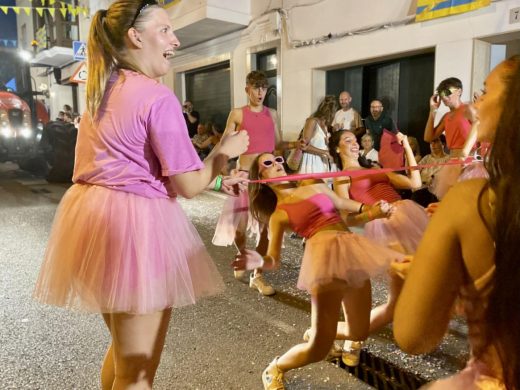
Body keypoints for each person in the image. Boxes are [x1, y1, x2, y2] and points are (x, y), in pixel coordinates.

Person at [32, 2, 249, 389]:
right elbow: (185, 185)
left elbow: (137, 166)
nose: (175, 40)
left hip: (91, 222)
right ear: (136, 36)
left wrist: (216, 180)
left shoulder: (101, 90)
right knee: (138, 374)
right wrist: (224, 153)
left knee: (121, 355)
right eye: (165, 30)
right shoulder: (157, 97)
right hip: (136, 231)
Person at [394, 56, 520, 390]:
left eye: (484, 92)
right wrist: (433, 111)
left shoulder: (476, 200)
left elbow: (412, 336)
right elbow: (429, 133)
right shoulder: (449, 115)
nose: (477, 101)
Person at [233, 153, 402, 390]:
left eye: (278, 159)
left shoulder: (311, 182)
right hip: (324, 260)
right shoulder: (279, 214)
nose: (278, 165)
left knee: (359, 330)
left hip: (352, 250)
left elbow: (344, 207)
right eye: (268, 164)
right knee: (318, 349)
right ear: (261, 177)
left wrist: (373, 209)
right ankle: (277, 367)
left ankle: (318, 331)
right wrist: (257, 260)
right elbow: (274, 259)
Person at [328, 129, 427, 361]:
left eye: (355, 139)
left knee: (399, 300)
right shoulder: (342, 176)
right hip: (382, 228)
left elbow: (415, 182)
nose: (355, 143)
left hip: (406, 218)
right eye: (347, 140)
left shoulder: (375, 166)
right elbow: (346, 217)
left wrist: (407, 147)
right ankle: (342, 336)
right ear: (336, 148)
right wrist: (372, 213)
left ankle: (348, 337)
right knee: (407, 288)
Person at [213, 70, 297, 295]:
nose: (260, 93)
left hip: (266, 179)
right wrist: (220, 171)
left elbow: (278, 143)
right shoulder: (238, 114)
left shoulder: (273, 114)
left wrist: (297, 144)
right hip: (243, 177)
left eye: (264, 88)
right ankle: (242, 253)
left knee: (266, 228)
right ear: (247, 89)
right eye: (256, 88)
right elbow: (224, 145)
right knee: (238, 230)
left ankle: (257, 275)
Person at [424, 77, 472, 199]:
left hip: (470, 161)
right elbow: (429, 137)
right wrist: (433, 111)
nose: (444, 97)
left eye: (447, 92)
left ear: (459, 91)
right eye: (441, 94)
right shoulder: (447, 116)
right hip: (453, 162)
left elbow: (482, 132)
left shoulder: (469, 109)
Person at [298, 95, 337, 174]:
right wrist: (324, 152)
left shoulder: (325, 126)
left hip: (323, 162)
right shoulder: (312, 121)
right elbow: (304, 146)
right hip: (311, 162)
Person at [411, 136, 449, 207]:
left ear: (443, 144)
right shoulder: (427, 158)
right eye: (431, 142)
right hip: (421, 190)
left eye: (436, 141)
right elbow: (415, 171)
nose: (433, 145)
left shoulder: (448, 159)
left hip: (435, 193)